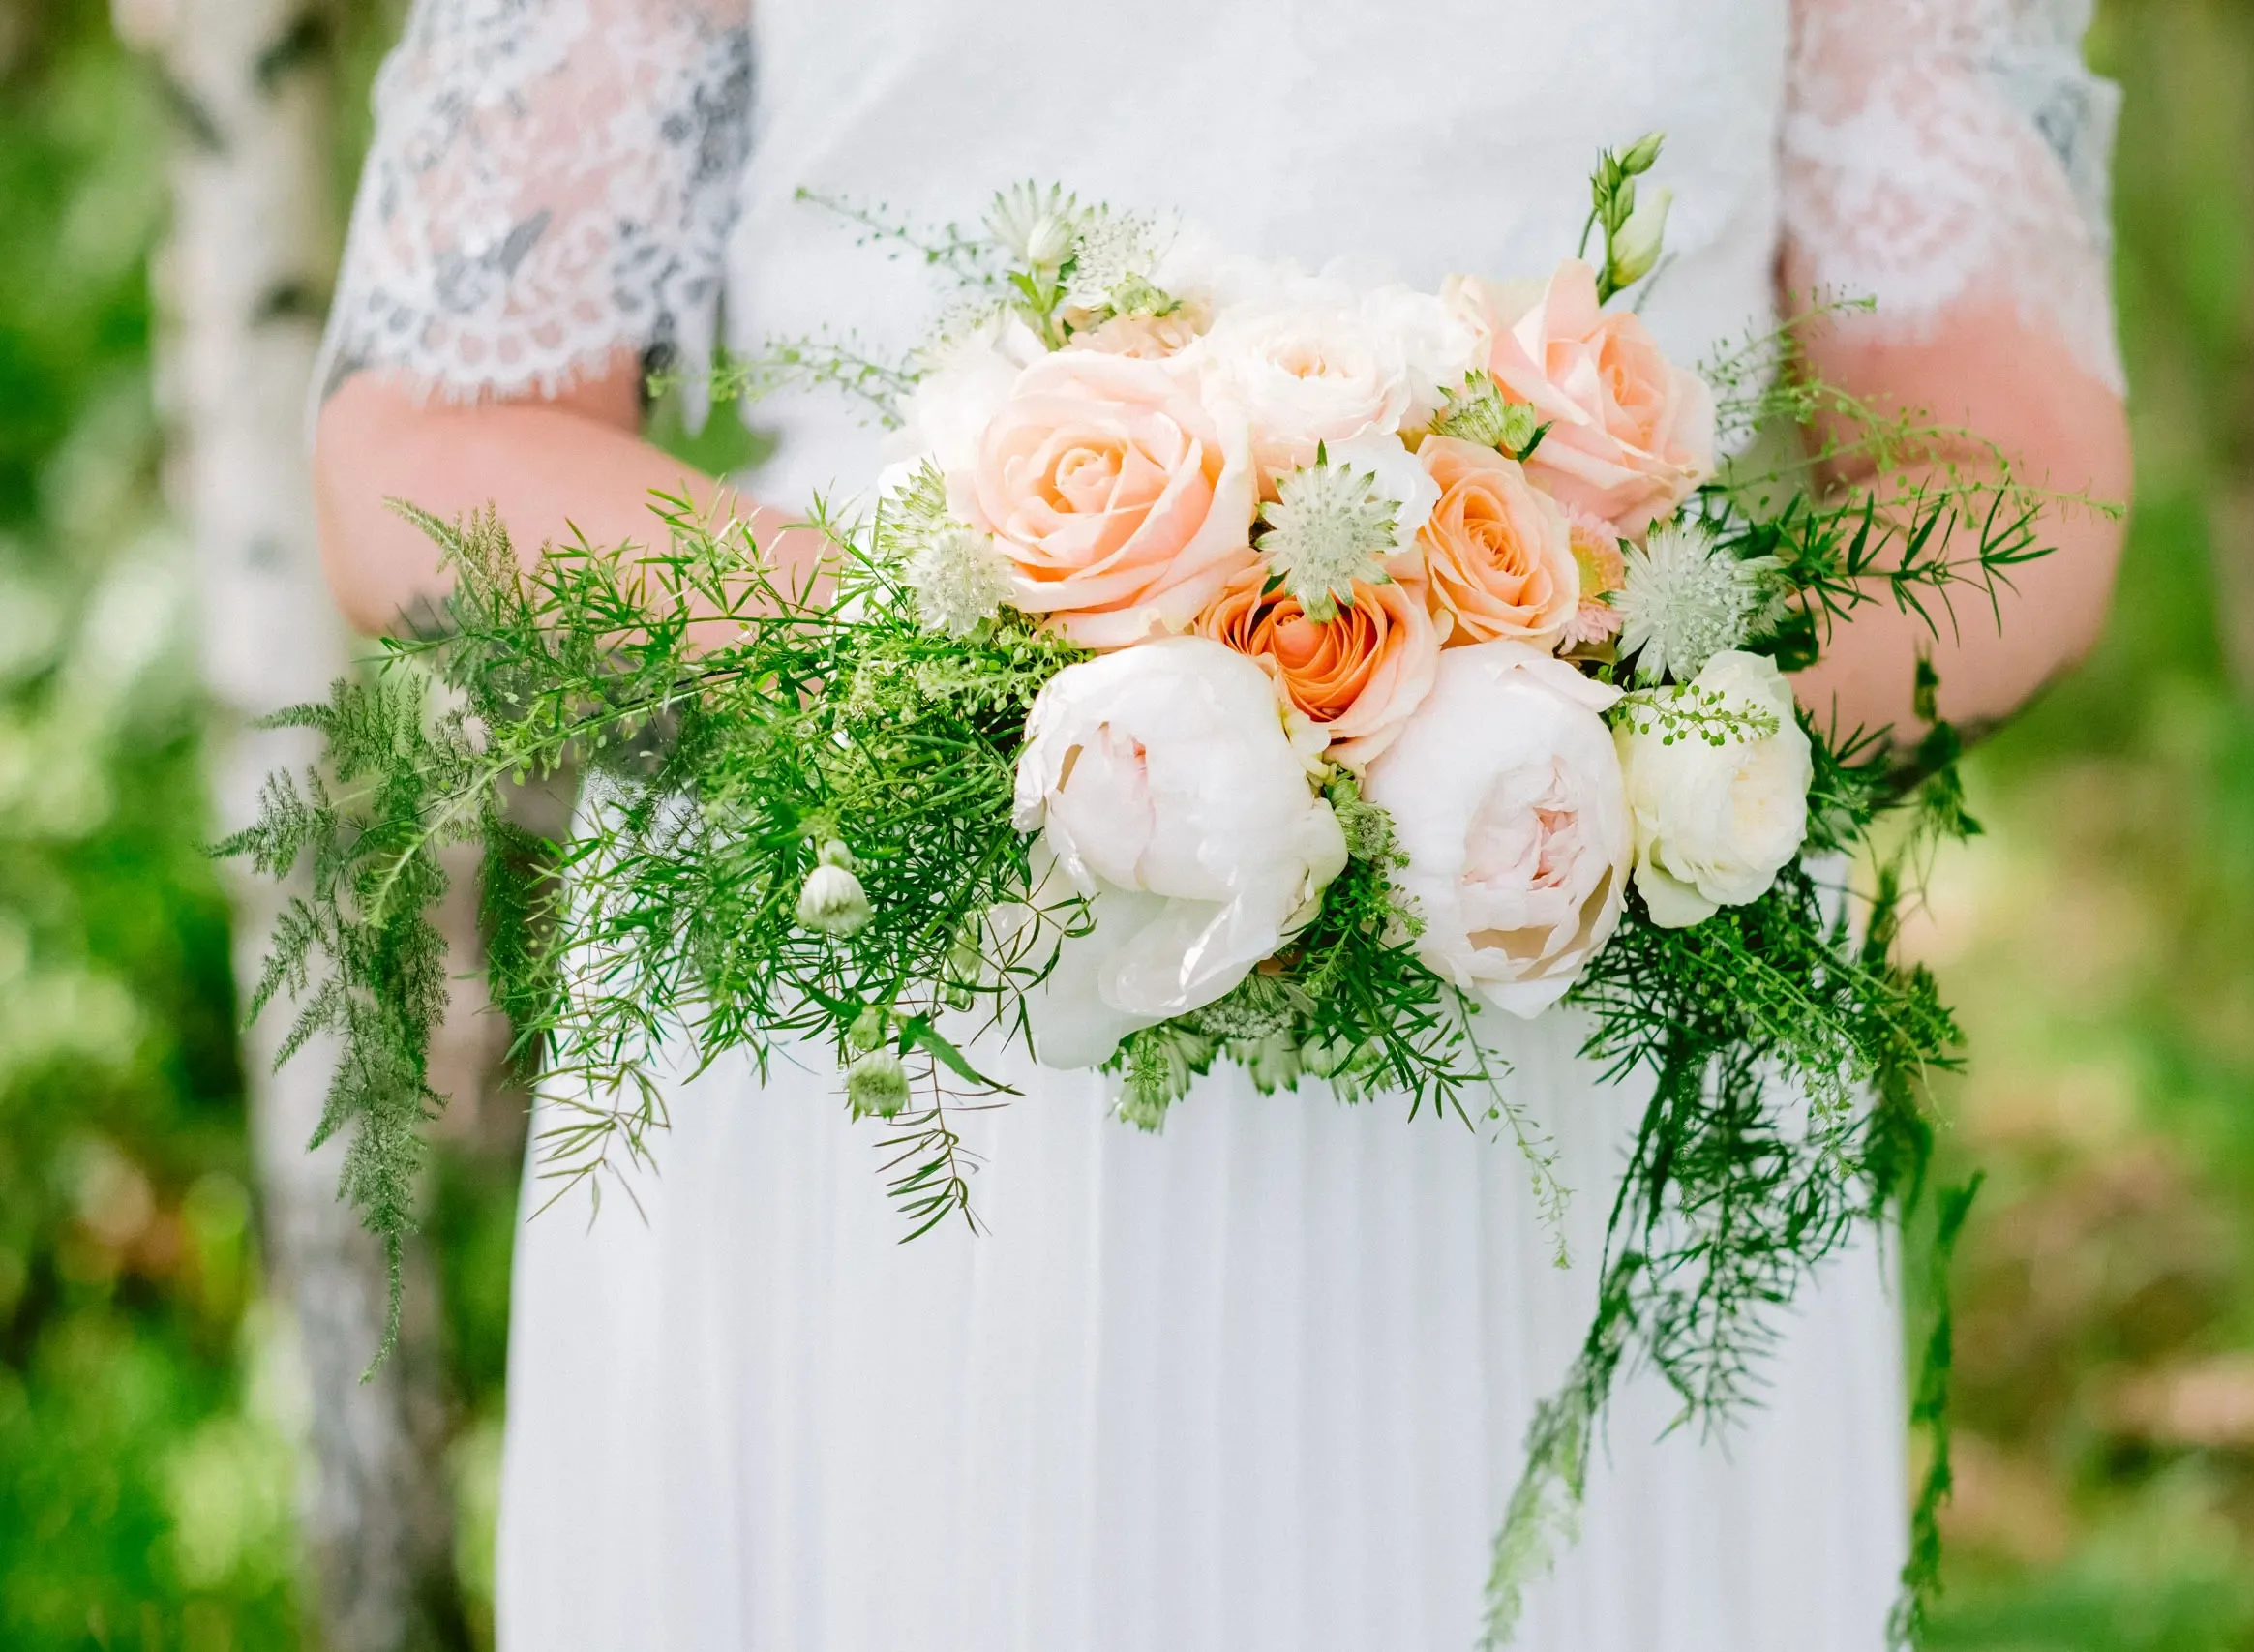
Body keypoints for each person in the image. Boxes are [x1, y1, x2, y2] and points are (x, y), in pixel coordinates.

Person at [311, 3, 2131, 1647]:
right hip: (896, 991)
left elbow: (2016, 476)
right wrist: (954, 684)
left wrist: (1612, 746)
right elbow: (436, 441)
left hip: (1579, 998)